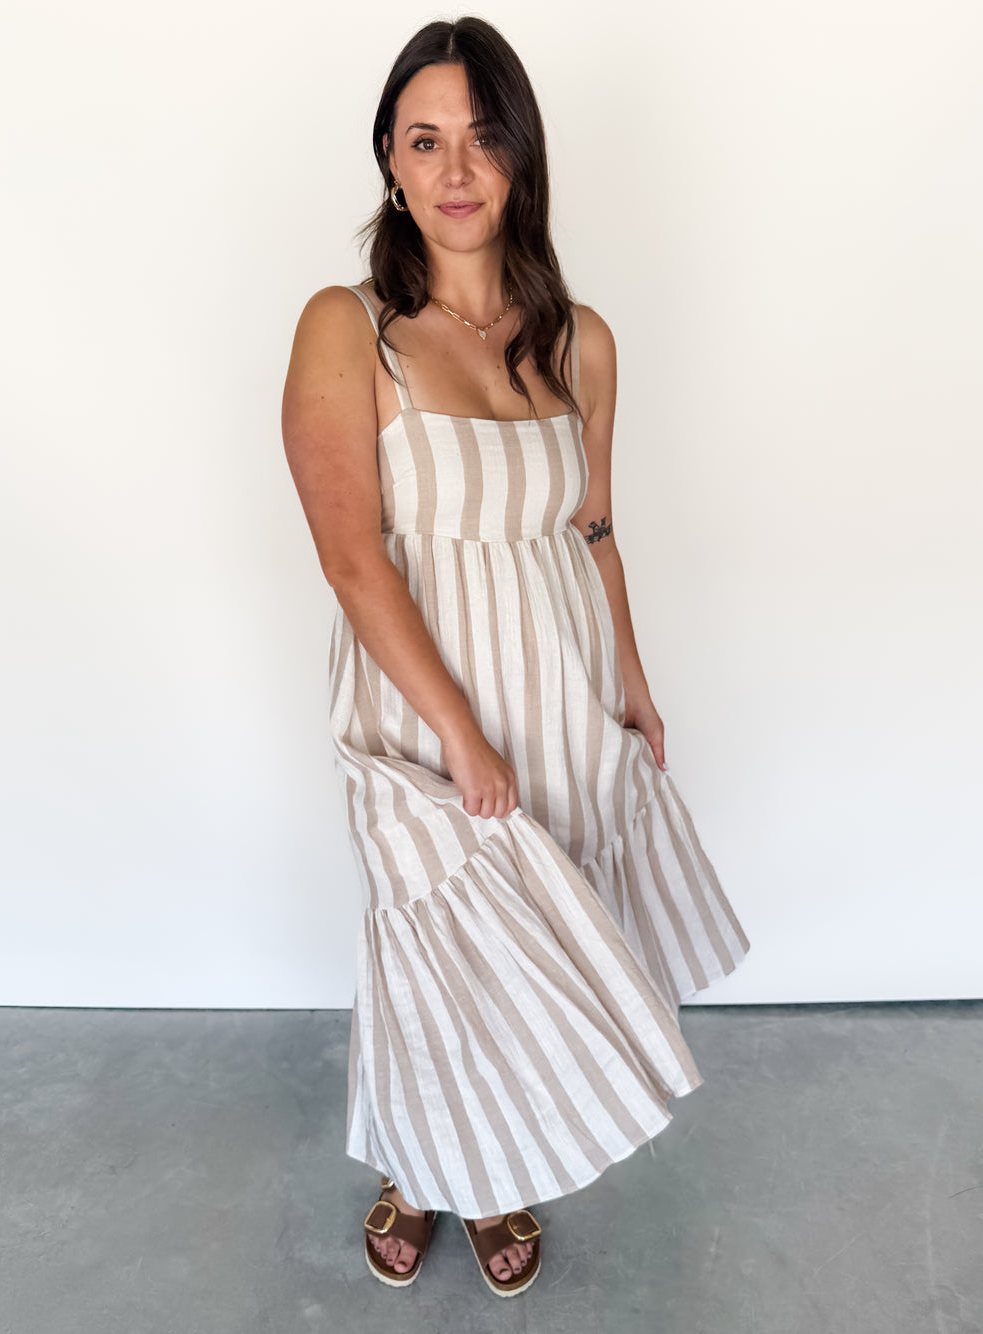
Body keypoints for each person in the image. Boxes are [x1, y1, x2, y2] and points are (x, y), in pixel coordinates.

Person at [281, 16, 750, 1298]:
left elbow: (593, 527)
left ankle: (495, 1169)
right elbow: (350, 557)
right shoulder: (349, 327)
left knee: (530, 957)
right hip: (422, 715)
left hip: (562, 698)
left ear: (520, 157)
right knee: (433, 946)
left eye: (482, 137)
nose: (455, 167)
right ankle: (419, 1162)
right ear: (388, 159)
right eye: (424, 138)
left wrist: (631, 680)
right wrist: (460, 735)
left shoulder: (580, 339)